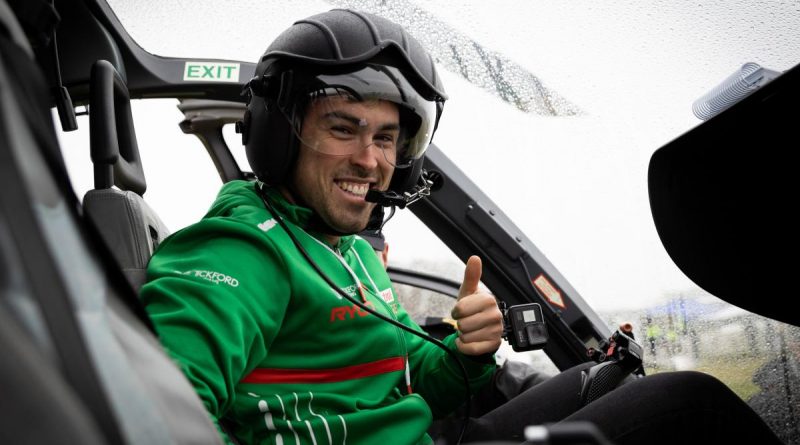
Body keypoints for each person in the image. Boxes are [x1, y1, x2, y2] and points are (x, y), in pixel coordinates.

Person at [141, 8, 785, 445]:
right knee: (686, 407)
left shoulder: (348, 247)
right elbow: (151, 409)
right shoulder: (243, 250)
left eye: (388, 138)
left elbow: (412, 375)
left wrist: (467, 351)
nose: (371, 160)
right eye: (343, 128)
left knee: (604, 378)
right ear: (279, 133)